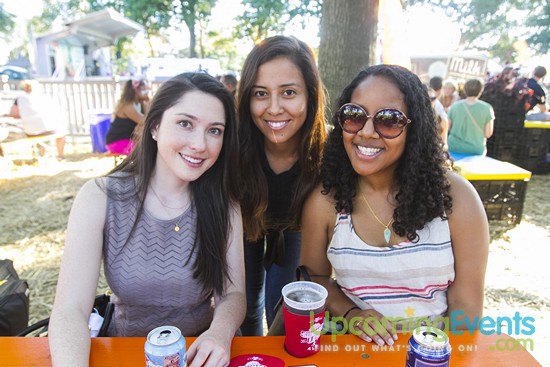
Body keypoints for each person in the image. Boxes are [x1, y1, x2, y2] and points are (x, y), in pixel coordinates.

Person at [48, 73, 245, 367]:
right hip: (124, 352)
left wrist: (219, 332)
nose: (200, 144)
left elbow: (233, 294)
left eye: (214, 130)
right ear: (154, 126)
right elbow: (70, 309)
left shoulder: (225, 204)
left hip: (201, 354)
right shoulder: (99, 197)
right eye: (185, 124)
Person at [300, 64, 489, 346]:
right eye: (354, 116)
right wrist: (352, 314)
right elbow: (313, 277)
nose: (366, 131)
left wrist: (437, 357)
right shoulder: (325, 202)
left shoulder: (457, 199)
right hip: (352, 356)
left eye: (389, 120)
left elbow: (466, 306)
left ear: (415, 130)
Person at [236, 35, 327, 335]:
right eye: (260, 93)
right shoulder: (232, 145)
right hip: (245, 222)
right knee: (244, 305)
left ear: (310, 95)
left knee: (283, 307)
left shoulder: (329, 152)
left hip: (295, 227)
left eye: (288, 92)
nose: (274, 109)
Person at [7, 80, 66, 159]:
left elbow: (13, 114)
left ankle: (41, 154)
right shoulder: (44, 97)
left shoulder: (20, 99)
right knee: (61, 132)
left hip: (30, 132)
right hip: (49, 129)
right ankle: (60, 155)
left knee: (33, 131)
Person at [447, 78, 494, 155]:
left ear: (465, 90)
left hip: (453, 147)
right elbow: (488, 134)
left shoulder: (454, 106)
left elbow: (447, 128)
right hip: (475, 150)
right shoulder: (487, 108)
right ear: (480, 90)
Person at [105, 79, 150, 155]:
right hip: (117, 141)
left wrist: (147, 103)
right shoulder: (127, 106)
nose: (146, 92)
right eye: (143, 89)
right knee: (146, 150)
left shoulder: (140, 104)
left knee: (149, 147)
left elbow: (147, 117)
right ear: (135, 90)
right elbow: (144, 120)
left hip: (128, 140)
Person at [427, 86, 449, 151]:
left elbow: (445, 144)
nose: (430, 102)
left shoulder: (442, 120)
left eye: (433, 98)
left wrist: (439, 146)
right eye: (427, 99)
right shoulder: (412, 119)